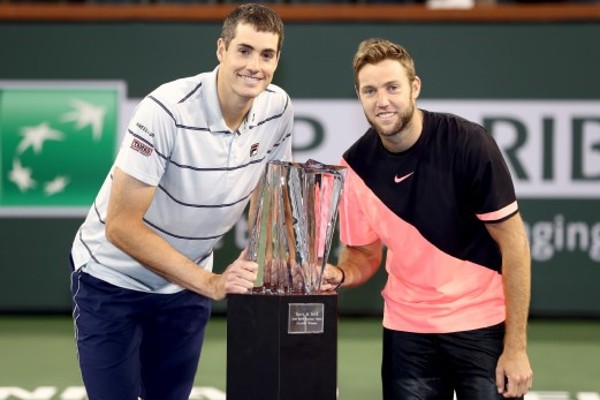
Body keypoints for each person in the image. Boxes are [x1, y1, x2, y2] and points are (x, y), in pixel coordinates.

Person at [68, 4, 292, 399]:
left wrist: (266, 261)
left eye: (266, 54)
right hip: (112, 280)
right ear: (221, 49)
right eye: (244, 50)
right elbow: (120, 226)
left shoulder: (278, 109)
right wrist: (210, 281)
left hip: (186, 290)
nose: (254, 65)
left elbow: (267, 197)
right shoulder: (165, 110)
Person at [322, 38, 533, 399]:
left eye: (392, 87)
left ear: (414, 87)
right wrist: (339, 274)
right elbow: (364, 253)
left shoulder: (469, 144)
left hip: (481, 326)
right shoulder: (355, 167)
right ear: (359, 96)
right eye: (370, 91)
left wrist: (515, 348)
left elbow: (514, 246)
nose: (382, 101)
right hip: (407, 333)